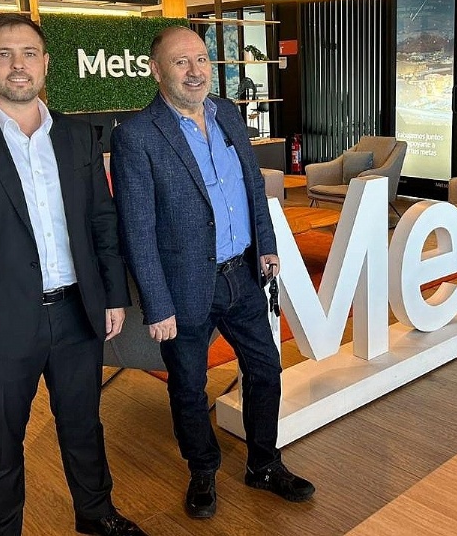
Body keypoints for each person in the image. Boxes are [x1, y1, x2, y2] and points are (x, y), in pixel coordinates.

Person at [0, 13, 145, 536]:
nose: (18, 66)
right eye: (4, 54)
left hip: (76, 312)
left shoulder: (78, 136)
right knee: (0, 441)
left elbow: (101, 221)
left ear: (45, 63)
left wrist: (112, 294)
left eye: (29, 54)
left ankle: (96, 514)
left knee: (84, 425)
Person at [111, 26, 315, 519]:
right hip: (183, 286)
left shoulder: (227, 113)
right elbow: (137, 229)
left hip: (241, 273)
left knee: (265, 369)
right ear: (156, 71)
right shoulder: (136, 136)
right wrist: (157, 304)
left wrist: (266, 244)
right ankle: (202, 469)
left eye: (201, 60)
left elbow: (251, 186)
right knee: (187, 385)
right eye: (180, 62)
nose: (195, 71)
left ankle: (263, 464)